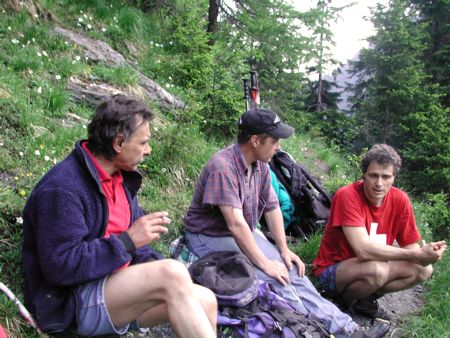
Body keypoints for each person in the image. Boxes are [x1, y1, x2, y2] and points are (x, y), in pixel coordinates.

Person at [183, 108, 390, 338]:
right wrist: (265, 263)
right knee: (274, 276)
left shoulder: (260, 164)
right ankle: (315, 332)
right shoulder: (223, 167)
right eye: (274, 140)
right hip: (208, 236)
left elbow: (272, 207)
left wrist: (283, 250)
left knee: (290, 270)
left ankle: (347, 330)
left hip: (240, 233)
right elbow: (235, 224)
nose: (278, 146)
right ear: (255, 140)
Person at [21, 95, 217, 337]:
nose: (148, 150)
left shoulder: (120, 180)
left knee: (205, 299)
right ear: (118, 143)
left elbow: (138, 249)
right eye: (143, 142)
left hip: (116, 291)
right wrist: (128, 240)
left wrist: (152, 259)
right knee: (172, 273)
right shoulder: (63, 189)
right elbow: (61, 267)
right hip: (72, 303)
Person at [313, 144, 447, 320]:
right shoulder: (347, 195)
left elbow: (411, 248)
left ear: (394, 178)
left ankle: (364, 300)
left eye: (386, 177)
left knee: (424, 270)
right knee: (378, 270)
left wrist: (425, 256)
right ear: (364, 175)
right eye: (373, 176)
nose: (379, 183)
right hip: (331, 273)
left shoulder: (400, 200)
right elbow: (363, 249)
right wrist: (417, 254)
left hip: (370, 269)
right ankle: (341, 304)